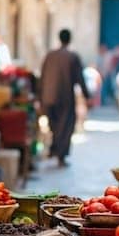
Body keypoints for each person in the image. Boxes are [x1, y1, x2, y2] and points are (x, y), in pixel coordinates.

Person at [39, 29, 91, 167]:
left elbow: (42, 77)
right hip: (65, 97)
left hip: (48, 97)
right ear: (69, 39)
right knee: (65, 126)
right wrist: (87, 95)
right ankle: (60, 154)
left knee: (55, 125)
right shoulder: (73, 57)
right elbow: (80, 78)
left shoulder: (49, 56)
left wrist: (39, 97)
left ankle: (55, 150)